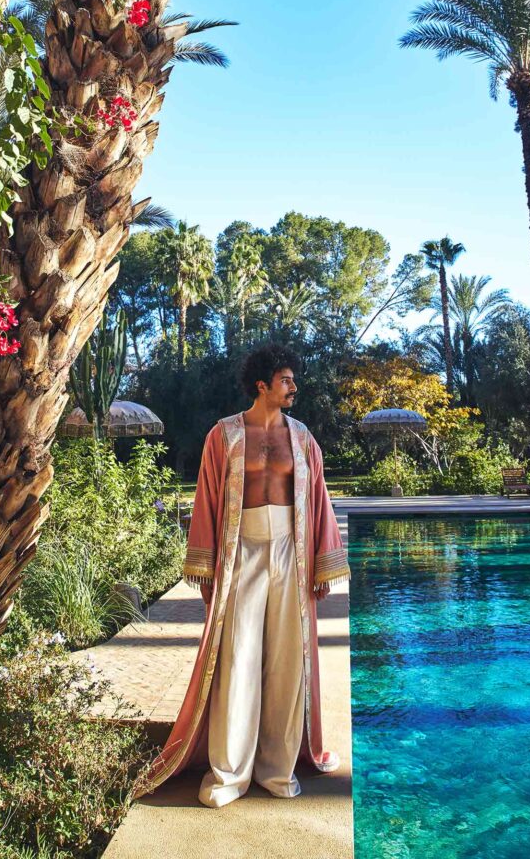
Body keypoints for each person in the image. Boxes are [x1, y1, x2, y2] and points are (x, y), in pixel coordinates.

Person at [137, 343, 350, 808]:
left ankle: (276, 770)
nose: (294, 387)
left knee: (286, 662)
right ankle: (229, 774)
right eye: (287, 380)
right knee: (236, 660)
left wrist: (321, 563)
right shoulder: (225, 435)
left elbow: (319, 501)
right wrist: (207, 564)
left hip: (291, 556)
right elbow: (207, 500)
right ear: (263, 384)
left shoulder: (303, 437)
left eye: (293, 381)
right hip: (242, 554)